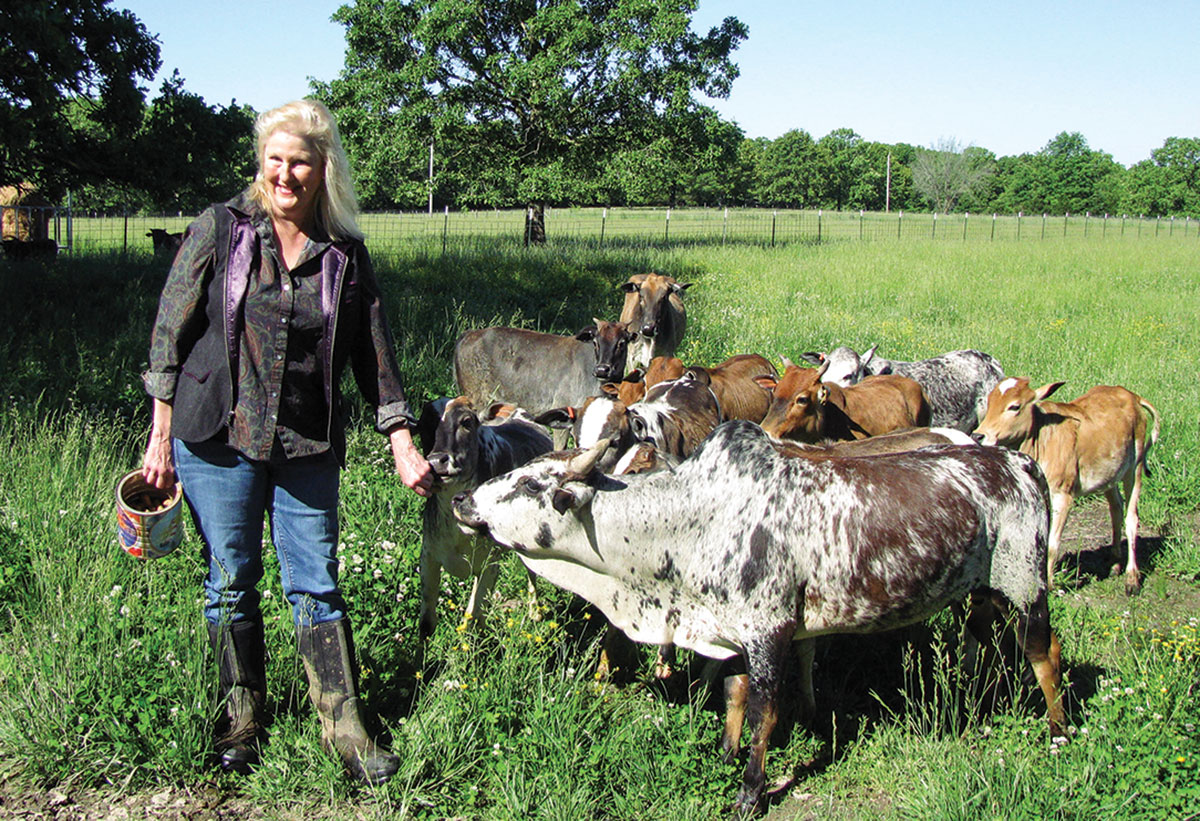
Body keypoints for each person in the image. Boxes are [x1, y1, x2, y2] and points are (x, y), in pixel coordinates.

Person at [140, 99, 432, 784]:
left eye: (299, 160)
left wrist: (402, 442)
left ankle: (346, 731)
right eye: (274, 159)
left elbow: (375, 354)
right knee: (231, 580)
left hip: (306, 441)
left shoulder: (344, 254)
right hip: (215, 436)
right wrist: (158, 438)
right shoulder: (222, 228)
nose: (285, 173)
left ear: (322, 167)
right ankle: (240, 720)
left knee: (318, 584)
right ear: (260, 163)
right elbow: (168, 332)